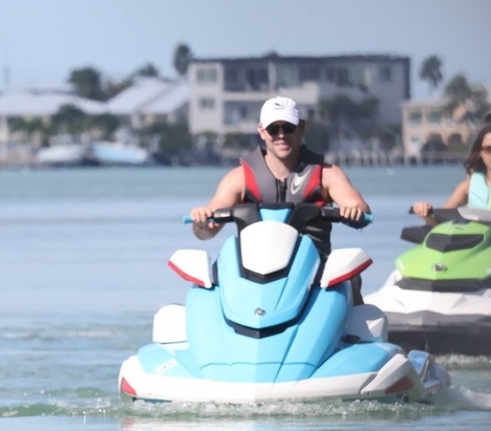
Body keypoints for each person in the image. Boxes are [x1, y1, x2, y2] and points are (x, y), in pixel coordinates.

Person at [189, 95, 372, 300]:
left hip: (314, 272)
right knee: (211, 282)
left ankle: (356, 330)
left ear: (301, 127)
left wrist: (354, 211)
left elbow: (360, 208)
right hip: (253, 275)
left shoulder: (327, 175)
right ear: (261, 131)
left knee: (350, 281)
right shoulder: (238, 179)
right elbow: (206, 232)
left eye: (288, 127)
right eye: (273, 129)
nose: (281, 135)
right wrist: (201, 221)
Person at [411, 123, 491, 224]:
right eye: (489, 149)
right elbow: (438, 221)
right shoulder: (468, 186)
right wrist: (426, 212)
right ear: (480, 153)